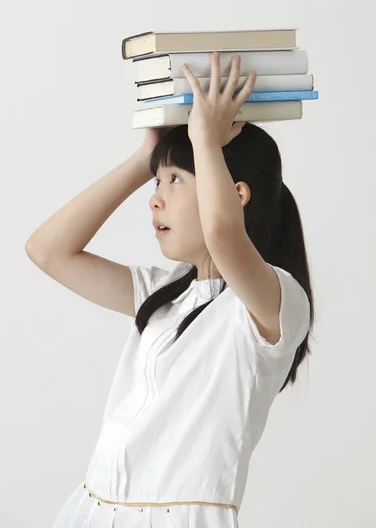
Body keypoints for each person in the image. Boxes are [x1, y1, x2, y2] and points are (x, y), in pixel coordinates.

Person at [25, 53, 315, 527]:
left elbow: (223, 233)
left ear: (236, 193)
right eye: (157, 181)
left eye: (176, 179)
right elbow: (47, 250)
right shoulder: (163, 295)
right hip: (90, 511)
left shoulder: (273, 304)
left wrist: (204, 136)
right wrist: (147, 158)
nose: (154, 198)